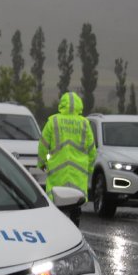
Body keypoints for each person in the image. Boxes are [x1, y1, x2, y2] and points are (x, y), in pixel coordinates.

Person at [37, 91, 96, 226]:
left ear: (61, 105)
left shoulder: (53, 121)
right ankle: (74, 230)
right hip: (78, 173)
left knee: (57, 205)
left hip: (58, 171)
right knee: (75, 204)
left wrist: (42, 163)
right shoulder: (85, 124)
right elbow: (92, 149)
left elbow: (43, 144)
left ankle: (58, 234)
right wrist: (90, 168)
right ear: (79, 106)